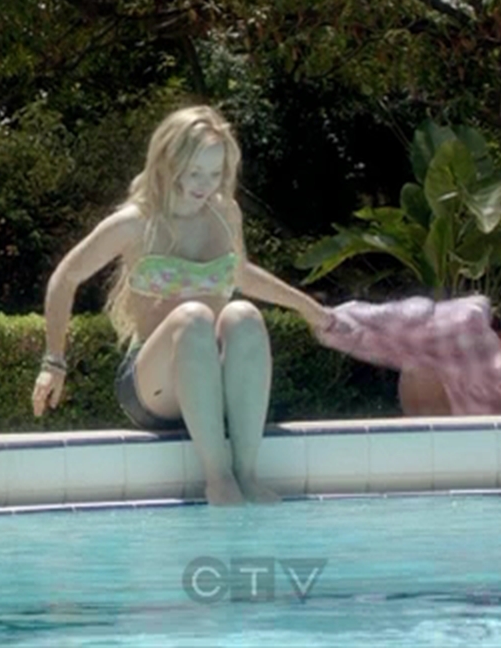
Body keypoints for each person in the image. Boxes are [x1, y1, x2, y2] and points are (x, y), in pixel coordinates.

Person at [31, 104, 330, 506]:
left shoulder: (225, 213)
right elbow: (65, 277)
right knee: (193, 318)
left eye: (214, 173)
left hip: (213, 381)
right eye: (194, 172)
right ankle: (218, 479)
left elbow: (240, 274)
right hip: (152, 386)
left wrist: (309, 308)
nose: (204, 185)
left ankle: (246, 474)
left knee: (243, 315)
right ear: (168, 162)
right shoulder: (135, 222)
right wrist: (53, 361)